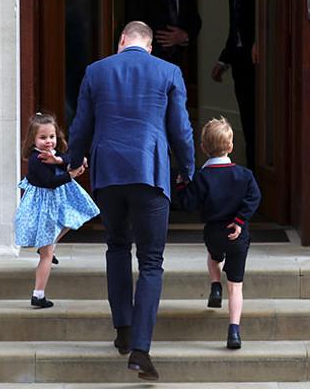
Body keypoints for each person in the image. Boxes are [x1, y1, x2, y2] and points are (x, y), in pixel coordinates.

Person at [67, 21, 195, 380]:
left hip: (108, 173)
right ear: (150, 46)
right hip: (151, 171)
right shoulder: (168, 71)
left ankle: (122, 329)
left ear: (121, 41)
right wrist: (188, 167)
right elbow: (180, 128)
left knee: (117, 246)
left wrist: (74, 161)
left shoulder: (96, 71)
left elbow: (81, 125)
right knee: (151, 260)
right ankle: (140, 349)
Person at [176, 117, 261, 349]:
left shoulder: (202, 178)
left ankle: (215, 285)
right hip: (238, 235)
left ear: (203, 148)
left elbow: (188, 203)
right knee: (236, 286)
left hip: (213, 232)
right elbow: (254, 198)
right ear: (231, 147)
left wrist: (182, 184)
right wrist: (240, 220)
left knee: (214, 257)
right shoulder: (244, 175)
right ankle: (234, 331)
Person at [14, 113, 99, 309]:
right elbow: (50, 182)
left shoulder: (53, 153)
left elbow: (68, 157)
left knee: (72, 219)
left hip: (57, 203)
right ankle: (38, 294)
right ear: (33, 140)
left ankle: (49, 245)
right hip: (44, 207)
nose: (48, 142)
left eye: (51, 137)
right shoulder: (36, 160)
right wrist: (70, 174)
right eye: (43, 138)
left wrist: (60, 161)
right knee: (46, 254)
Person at [211, 0, 256, 170]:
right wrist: (223, 60)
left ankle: (257, 170)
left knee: (259, 121)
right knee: (247, 118)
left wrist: (261, 41)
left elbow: (269, 15)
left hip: (258, 61)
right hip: (239, 62)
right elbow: (235, 27)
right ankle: (253, 167)